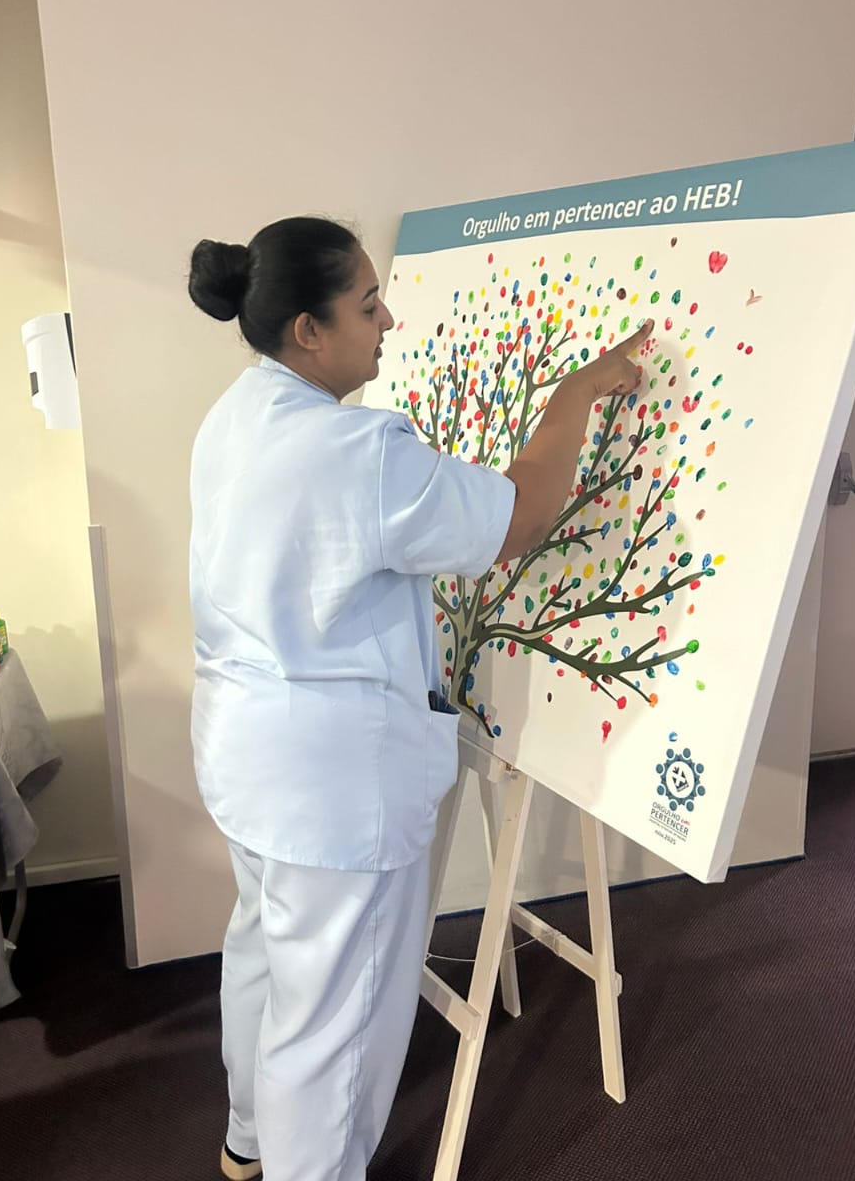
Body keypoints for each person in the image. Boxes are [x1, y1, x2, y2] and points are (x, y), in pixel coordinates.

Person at [187, 216, 651, 1181]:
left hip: (245, 756)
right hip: (332, 791)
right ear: (309, 331)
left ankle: (247, 1143)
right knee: (333, 1024)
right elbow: (521, 514)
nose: (389, 321)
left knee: (265, 953)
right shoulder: (361, 453)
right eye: (367, 305)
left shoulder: (235, 413)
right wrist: (572, 395)